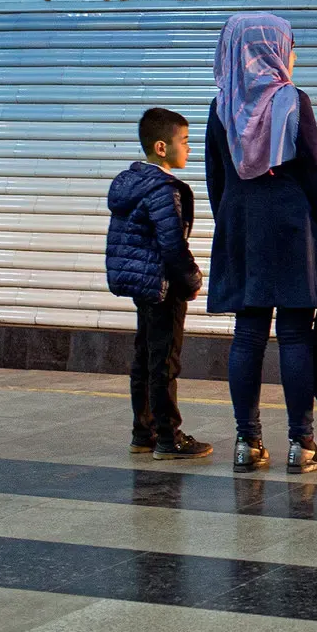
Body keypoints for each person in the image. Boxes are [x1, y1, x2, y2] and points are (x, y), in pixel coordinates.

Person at [205, 12, 317, 474]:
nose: (293, 54)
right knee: (293, 336)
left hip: (242, 225)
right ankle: (302, 444)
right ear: (272, 49)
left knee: (247, 334)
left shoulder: (220, 106)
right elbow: (315, 173)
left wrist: (232, 225)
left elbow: (215, 179)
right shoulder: (292, 101)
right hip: (291, 226)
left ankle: (247, 444)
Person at [104, 107, 210, 461]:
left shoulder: (131, 184)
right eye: (185, 141)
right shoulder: (164, 189)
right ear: (162, 148)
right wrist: (192, 279)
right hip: (165, 286)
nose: (190, 149)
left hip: (143, 285)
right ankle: (169, 438)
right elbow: (172, 244)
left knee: (145, 358)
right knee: (164, 362)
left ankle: (143, 432)